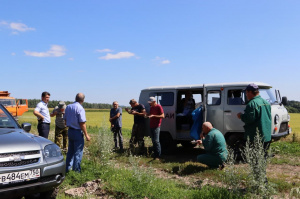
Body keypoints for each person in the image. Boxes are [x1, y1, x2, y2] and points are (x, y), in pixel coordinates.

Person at [237, 83, 272, 152]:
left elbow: (249, 119)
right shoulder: (266, 102)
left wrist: (241, 116)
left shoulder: (252, 103)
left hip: (255, 137)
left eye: (246, 93)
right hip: (267, 136)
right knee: (263, 156)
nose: (246, 95)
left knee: (255, 158)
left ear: (250, 92)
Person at [64, 93, 91, 173]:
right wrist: (86, 135)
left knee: (70, 152)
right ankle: (76, 171)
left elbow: (65, 119)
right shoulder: (80, 108)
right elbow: (82, 123)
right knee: (78, 153)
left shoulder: (68, 107)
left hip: (70, 130)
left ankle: (67, 169)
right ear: (83, 100)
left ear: (75, 98)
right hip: (77, 132)